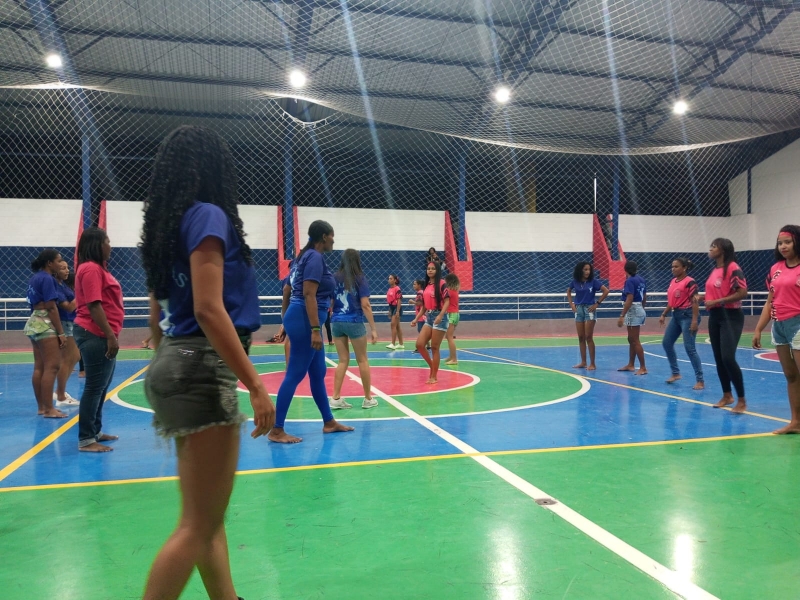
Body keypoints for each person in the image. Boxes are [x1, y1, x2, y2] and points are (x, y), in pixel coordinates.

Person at [139, 125, 275, 600]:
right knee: (196, 526)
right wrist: (255, 384)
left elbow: (159, 314)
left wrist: (168, 357)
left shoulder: (170, 226)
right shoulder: (209, 216)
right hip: (201, 365)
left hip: (175, 361)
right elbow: (208, 309)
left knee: (204, 518)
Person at [269, 220, 354, 444]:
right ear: (324, 237)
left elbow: (287, 290)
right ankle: (276, 429)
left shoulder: (303, 257)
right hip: (306, 320)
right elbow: (308, 294)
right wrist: (315, 329)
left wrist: (286, 321)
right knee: (295, 373)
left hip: (300, 318)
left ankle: (329, 422)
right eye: (332, 236)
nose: (334, 240)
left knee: (318, 372)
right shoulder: (314, 257)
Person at [74, 227, 124, 452]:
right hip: (95, 333)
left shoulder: (97, 269)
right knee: (94, 387)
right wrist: (110, 335)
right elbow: (94, 305)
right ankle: (86, 439)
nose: (110, 246)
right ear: (97, 245)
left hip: (101, 333)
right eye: (107, 241)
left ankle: (95, 430)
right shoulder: (91, 269)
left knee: (101, 386)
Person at [753, 225, 800, 433]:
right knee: (791, 375)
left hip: (798, 324)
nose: (783, 246)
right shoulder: (775, 269)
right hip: (779, 325)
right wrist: (758, 329)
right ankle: (796, 422)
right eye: (780, 243)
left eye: (788, 242)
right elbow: (770, 301)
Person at [329, 249, 379, 410]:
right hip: (354, 321)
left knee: (342, 360)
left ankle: (335, 397)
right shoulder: (359, 278)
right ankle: (368, 398)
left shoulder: (334, 278)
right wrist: (373, 329)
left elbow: (330, 303)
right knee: (362, 359)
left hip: (337, 321)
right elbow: (365, 304)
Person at [703, 237, 748, 413]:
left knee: (728, 357)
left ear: (723, 250)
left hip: (731, 316)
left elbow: (742, 292)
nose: (710, 249)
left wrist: (718, 301)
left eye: (714, 246)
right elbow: (716, 293)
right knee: (719, 358)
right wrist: (702, 298)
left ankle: (742, 400)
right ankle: (727, 395)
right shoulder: (715, 270)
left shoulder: (733, 268)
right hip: (715, 316)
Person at [24, 249, 68, 418]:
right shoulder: (48, 279)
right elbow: (51, 307)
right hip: (45, 322)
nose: (61, 263)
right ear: (50, 263)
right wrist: (61, 332)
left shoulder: (35, 278)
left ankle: (42, 407)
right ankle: (50, 409)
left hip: (34, 321)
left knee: (39, 367)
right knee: (52, 366)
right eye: (58, 261)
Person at [659, 258, 704, 389]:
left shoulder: (690, 282)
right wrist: (664, 314)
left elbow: (695, 301)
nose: (673, 269)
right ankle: (675, 373)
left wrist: (694, 321)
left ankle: (700, 380)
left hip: (688, 316)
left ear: (684, 268)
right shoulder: (673, 281)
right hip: (676, 315)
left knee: (690, 348)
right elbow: (672, 301)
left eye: (676, 266)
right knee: (667, 343)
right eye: (672, 266)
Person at [411, 261, 450, 384]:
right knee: (419, 344)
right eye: (428, 268)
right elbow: (424, 307)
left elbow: (447, 301)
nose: (430, 270)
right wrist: (416, 319)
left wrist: (440, 315)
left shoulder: (442, 284)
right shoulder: (427, 286)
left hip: (440, 317)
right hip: (429, 317)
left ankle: (434, 376)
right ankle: (433, 366)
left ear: (437, 270)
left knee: (434, 347)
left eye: (433, 268)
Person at [567, 261, 609, 370]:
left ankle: (592, 363)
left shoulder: (593, 282)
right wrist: (571, 304)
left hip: (589, 309)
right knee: (581, 337)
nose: (587, 272)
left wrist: (597, 304)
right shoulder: (575, 282)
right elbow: (568, 291)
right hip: (578, 309)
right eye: (585, 269)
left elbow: (606, 291)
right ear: (580, 270)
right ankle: (583, 362)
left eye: (589, 269)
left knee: (588, 337)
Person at [54, 260, 81, 406]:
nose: (67, 271)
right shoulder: (56, 287)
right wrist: (81, 295)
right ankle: (60, 396)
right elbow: (69, 307)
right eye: (63, 268)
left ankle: (60, 391)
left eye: (67, 268)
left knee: (75, 356)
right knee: (66, 359)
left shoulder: (63, 285)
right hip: (65, 323)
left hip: (70, 322)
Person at [617, 261, 647, 375]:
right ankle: (631, 364)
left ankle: (643, 367)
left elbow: (629, 299)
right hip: (638, 307)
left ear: (625, 270)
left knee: (635, 340)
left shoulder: (629, 281)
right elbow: (644, 296)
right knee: (631, 339)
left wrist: (622, 315)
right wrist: (642, 308)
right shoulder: (641, 279)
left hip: (633, 309)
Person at [444, 273, 461, 366]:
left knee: (449, 337)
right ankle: (451, 356)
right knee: (448, 336)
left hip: (452, 314)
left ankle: (454, 359)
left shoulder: (449, 292)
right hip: (454, 314)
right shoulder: (454, 291)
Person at [408, 279, 429, 354]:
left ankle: (420, 347)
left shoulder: (420, 293)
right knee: (423, 331)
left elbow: (420, 303)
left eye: (415, 284)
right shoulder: (421, 292)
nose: (413, 286)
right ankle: (428, 346)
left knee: (421, 331)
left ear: (419, 285)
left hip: (421, 316)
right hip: (422, 315)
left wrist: (412, 302)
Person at [386, 274, 404, 350]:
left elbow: (399, 300)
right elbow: (390, 301)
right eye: (389, 278)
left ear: (395, 280)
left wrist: (397, 311)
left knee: (393, 325)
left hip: (396, 307)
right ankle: (401, 344)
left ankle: (393, 344)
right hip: (392, 307)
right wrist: (390, 310)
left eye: (391, 278)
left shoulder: (397, 289)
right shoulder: (390, 289)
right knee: (397, 326)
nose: (389, 280)